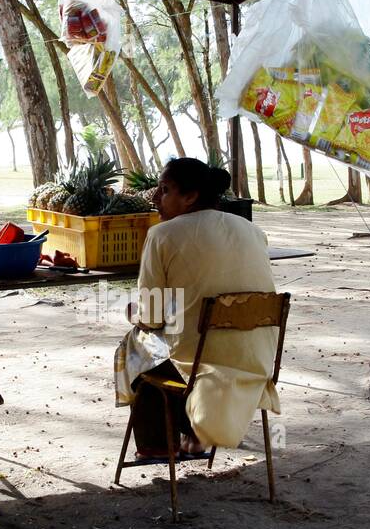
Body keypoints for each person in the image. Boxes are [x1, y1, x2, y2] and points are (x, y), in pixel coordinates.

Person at [114, 157, 278, 459]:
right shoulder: (252, 230)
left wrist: (135, 315)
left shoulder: (162, 234)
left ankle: (160, 444)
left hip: (201, 360)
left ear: (190, 197)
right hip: (259, 358)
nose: (155, 198)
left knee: (134, 344)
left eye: (164, 190)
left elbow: (151, 317)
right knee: (165, 335)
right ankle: (197, 429)